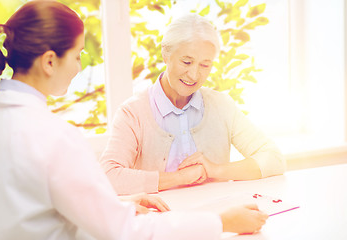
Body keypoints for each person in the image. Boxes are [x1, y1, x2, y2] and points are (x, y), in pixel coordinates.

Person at [0, 1, 268, 239]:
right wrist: (221, 222)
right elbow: (125, 231)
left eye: (204, 64)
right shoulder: (54, 137)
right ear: (49, 61)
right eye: (77, 55)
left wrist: (117, 203)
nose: (79, 66)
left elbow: (36, 206)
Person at [100, 13, 286, 195]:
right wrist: (178, 178)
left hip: (218, 219)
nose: (194, 75)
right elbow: (108, 177)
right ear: (166, 54)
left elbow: (274, 158)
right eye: (187, 62)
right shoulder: (133, 113)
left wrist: (214, 170)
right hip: (162, 223)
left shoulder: (221, 105)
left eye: (205, 65)